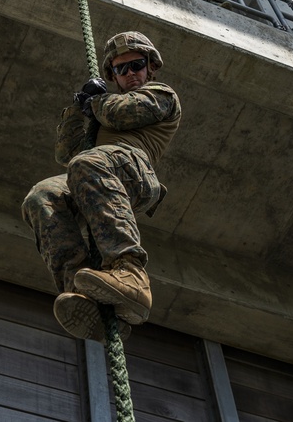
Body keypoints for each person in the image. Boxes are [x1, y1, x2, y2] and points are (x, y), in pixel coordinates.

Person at [21, 31, 182, 342]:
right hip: (96, 170)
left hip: (132, 170)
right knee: (42, 196)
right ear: (114, 76)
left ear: (150, 67)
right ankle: (81, 290)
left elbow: (121, 113)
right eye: (121, 70)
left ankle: (130, 272)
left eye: (136, 65)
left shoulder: (161, 95)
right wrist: (76, 110)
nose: (131, 74)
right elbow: (66, 155)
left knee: (88, 162)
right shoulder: (99, 113)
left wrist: (95, 102)